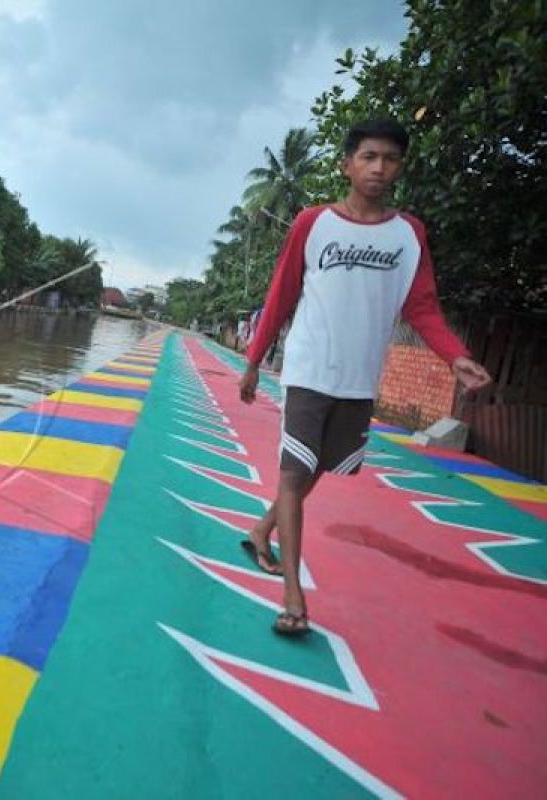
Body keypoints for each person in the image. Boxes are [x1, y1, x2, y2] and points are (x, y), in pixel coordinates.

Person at [237, 118, 491, 637]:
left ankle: (262, 531)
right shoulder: (313, 223)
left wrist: (454, 357)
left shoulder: (408, 234)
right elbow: (282, 293)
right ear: (347, 163)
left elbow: (422, 308)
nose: (379, 167)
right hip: (309, 369)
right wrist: (253, 361)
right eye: (369, 156)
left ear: (399, 167)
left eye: (390, 159)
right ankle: (293, 596)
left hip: (358, 379)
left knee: (318, 468)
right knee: (292, 473)